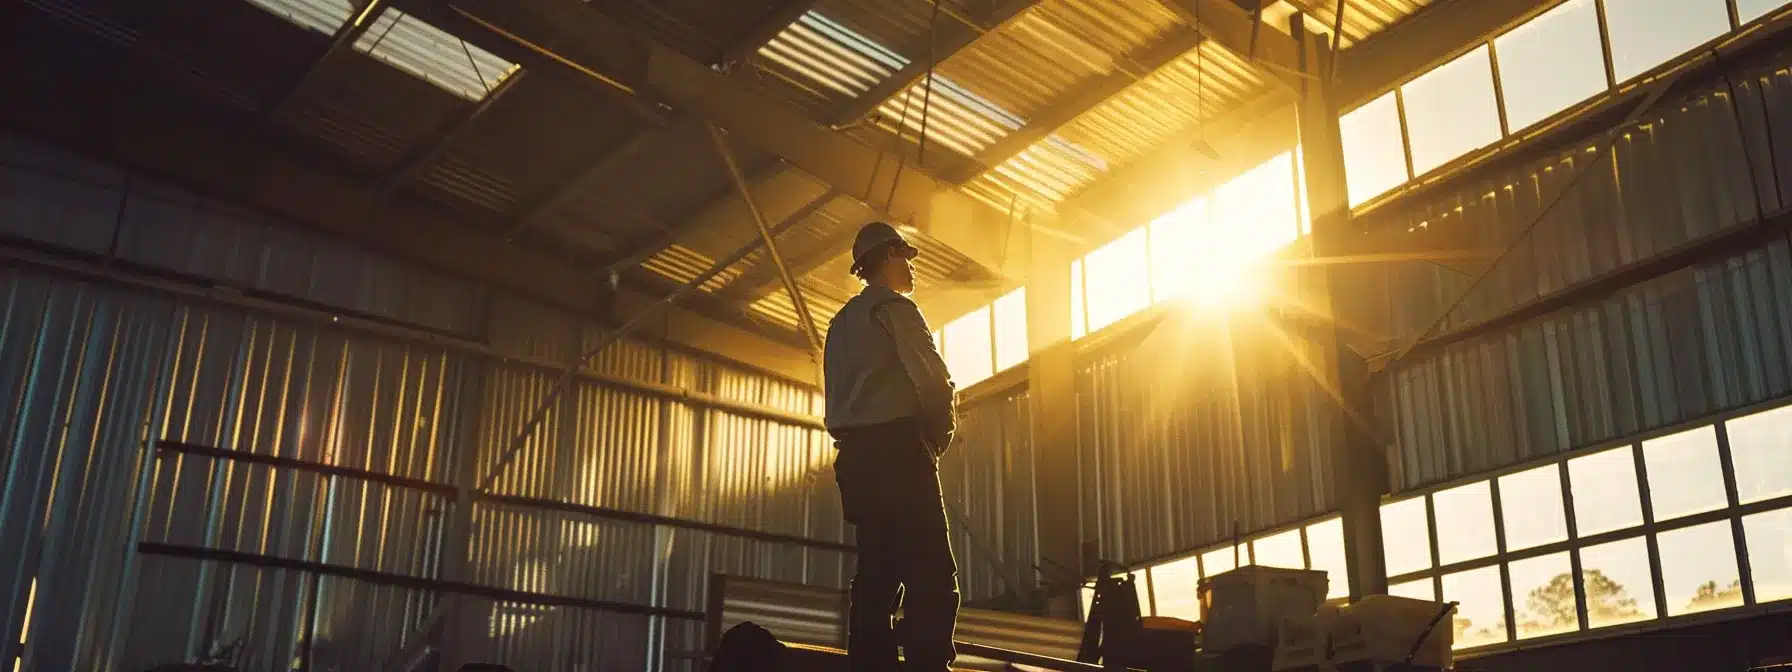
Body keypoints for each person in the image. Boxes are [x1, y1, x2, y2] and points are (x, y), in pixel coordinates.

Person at [824, 221, 960, 672]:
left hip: (856, 463)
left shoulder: (840, 326)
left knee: (876, 576)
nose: (910, 267)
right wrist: (938, 438)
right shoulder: (897, 311)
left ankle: (869, 665)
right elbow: (934, 383)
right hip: (900, 453)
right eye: (905, 256)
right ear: (887, 257)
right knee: (931, 575)